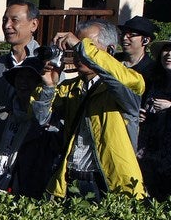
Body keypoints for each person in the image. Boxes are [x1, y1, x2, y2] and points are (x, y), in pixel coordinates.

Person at [35, 20, 146, 198]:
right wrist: (49, 86)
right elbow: (41, 119)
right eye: (78, 47)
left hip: (111, 185)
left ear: (109, 50)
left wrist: (80, 46)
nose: (80, 53)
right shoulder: (70, 88)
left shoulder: (128, 84)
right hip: (71, 180)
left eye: (88, 46)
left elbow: (124, 81)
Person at [0, 56, 61, 200]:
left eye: (30, 78)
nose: (23, 83)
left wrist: (48, 90)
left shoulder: (46, 120)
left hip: (21, 189)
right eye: (19, 77)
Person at [0, 0, 41, 115]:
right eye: (4, 20)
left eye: (14, 20)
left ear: (34, 24)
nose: (7, 26)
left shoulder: (46, 64)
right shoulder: (0, 64)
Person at [138, 38, 171, 200]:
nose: (169, 55)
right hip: (151, 149)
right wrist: (143, 115)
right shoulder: (154, 80)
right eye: (166, 50)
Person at [119, 15, 158, 90]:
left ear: (146, 40)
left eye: (131, 35)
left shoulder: (152, 70)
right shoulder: (114, 60)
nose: (124, 38)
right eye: (123, 34)